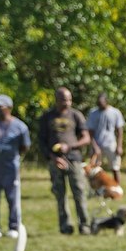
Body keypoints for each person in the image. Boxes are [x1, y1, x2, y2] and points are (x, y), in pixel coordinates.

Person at [38, 87, 95, 235]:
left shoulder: (76, 115)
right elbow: (42, 142)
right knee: (60, 194)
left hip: (74, 159)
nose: (67, 102)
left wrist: (69, 146)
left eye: (69, 99)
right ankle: (65, 227)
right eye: (64, 99)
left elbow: (86, 138)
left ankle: (85, 226)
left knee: (79, 192)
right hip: (55, 161)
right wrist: (54, 157)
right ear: (57, 99)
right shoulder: (47, 117)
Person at [0, 95, 29, 237]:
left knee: (13, 199)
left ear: (9, 108)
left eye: (0, 107)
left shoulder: (20, 127)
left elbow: (24, 146)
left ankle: (13, 227)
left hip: (10, 169)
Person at [86, 93, 126, 176]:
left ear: (106, 102)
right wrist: (94, 146)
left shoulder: (115, 112)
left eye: (102, 103)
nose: (100, 105)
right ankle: (97, 188)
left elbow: (119, 131)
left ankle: (116, 187)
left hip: (110, 144)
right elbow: (90, 132)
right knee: (94, 169)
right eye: (98, 103)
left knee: (115, 167)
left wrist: (119, 146)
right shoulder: (93, 113)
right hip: (97, 143)